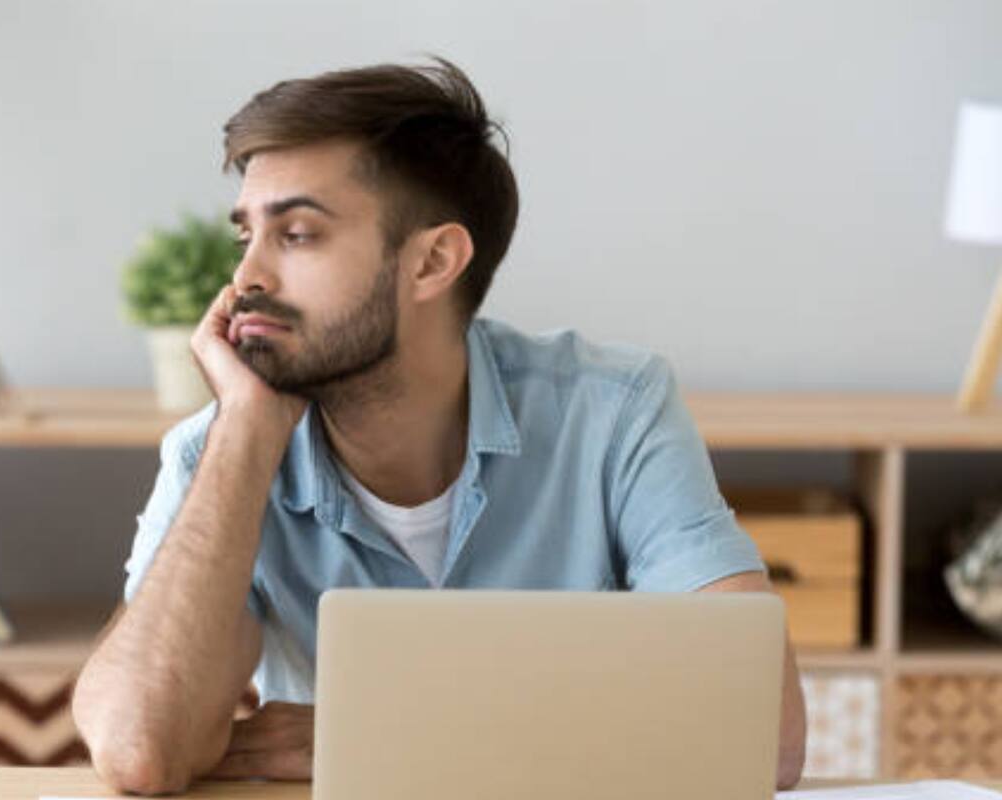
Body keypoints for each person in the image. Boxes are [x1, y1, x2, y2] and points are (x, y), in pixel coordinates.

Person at [71, 56, 807, 796]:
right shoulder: (220, 449)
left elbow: (762, 739)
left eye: (296, 234)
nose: (247, 280)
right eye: (246, 239)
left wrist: (399, 739)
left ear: (432, 262)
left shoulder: (612, 412)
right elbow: (139, 751)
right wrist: (245, 434)